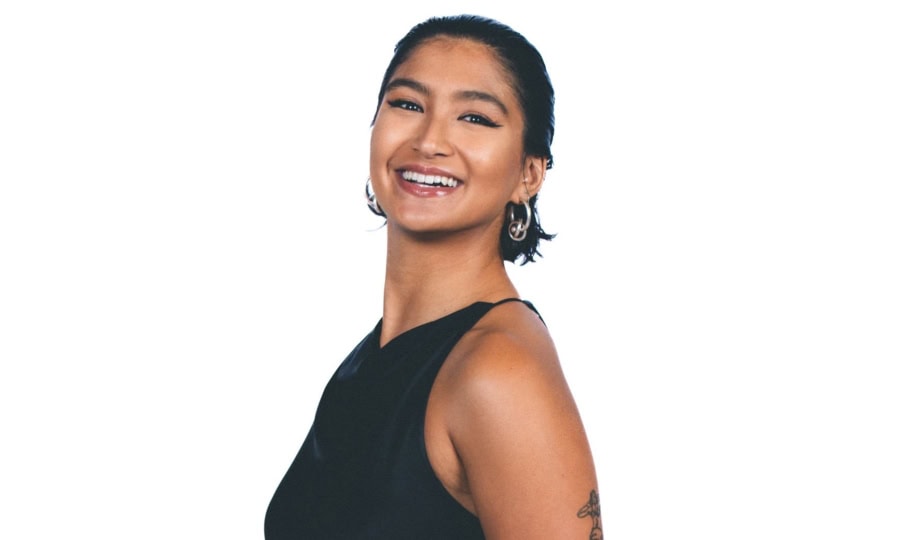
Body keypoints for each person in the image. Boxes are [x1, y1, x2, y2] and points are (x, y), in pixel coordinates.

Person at [265, 15, 599, 539]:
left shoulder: (498, 369)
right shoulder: (375, 357)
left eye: (475, 118)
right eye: (407, 105)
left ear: (528, 174)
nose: (429, 140)